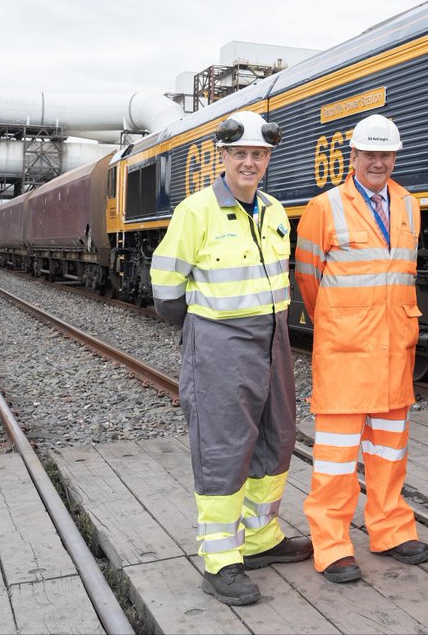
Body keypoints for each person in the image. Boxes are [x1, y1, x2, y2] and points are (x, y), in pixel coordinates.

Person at [150, 109, 312, 607]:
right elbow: (166, 291)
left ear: (268, 159)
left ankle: (260, 538)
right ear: (223, 156)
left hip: (273, 339)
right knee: (223, 448)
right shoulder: (195, 211)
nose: (249, 163)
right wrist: (206, 330)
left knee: (277, 436)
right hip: (219, 342)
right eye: (240, 153)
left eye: (258, 154)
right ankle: (220, 559)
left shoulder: (275, 211)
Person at [294, 113, 428, 585]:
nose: (378, 162)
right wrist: (341, 322)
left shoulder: (410, 205)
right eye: (370, 154)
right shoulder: (325, 207)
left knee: (390, 451)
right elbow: (308, 281)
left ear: (395, 157)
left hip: (395, 351)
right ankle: (331, 544)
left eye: (386, 154)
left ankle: (390, 531)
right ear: (353, 156)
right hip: (346, 353)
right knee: (336, 456)